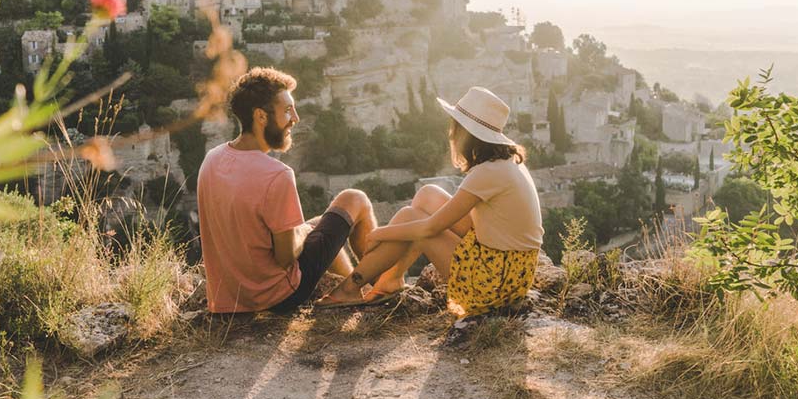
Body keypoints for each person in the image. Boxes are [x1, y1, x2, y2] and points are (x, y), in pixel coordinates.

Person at [318, 87, 544, 316]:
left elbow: (430, 227)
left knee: (413, 218)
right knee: (428, 194)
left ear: (465, 133)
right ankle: (390, 280)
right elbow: (468, 223)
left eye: (455, 125)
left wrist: (377, 234)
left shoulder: (488, 172)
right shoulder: (506, 163)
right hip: (512, 271)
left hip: (494, 285)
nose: (451, 132)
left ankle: (352, 286)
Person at [197, 67, 378, 314]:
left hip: (229, 300)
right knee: (355, 199)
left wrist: (304, 229)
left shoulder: (211, 160)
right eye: (287, 110)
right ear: (261, 116)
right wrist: (302, 230)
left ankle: (353, 291)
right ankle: (381, 288)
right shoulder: (277, 175)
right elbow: (286, 258)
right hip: (276, 296)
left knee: (316, 227)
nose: (296, 118)